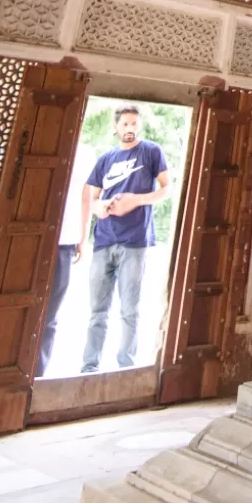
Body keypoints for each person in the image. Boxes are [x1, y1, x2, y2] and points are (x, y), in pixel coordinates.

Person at [80, 105, 169, 373]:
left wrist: (135, 201)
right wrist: (102, 207)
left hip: (134, 241)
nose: (130, 129)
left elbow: (166, 189)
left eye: (134, 124)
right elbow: (91, 199)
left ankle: (125, 367)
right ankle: (89, 366)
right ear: (116, 127)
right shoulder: (106, 159)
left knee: (130, 309)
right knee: (97, 310)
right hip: (104, 240)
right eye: (125, 124)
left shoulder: (151, 152)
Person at [37, 151, 89, 377]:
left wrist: (83, 237)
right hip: (35, 236)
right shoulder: (47, 146)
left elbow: (86, 197)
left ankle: (37, 372)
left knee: (50, 314)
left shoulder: (87, 155)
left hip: (66, 241)